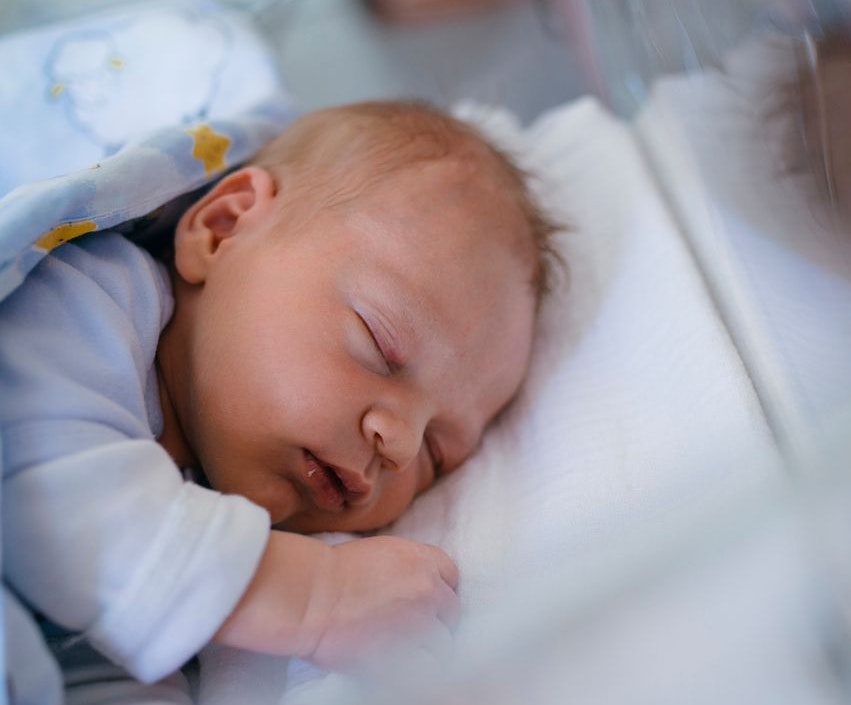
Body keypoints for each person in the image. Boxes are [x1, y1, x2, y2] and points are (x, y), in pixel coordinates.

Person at [0, 100, 559, 703]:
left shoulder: (203, 561)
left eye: (436, 453)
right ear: (223, 228)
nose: (398, 445)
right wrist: (315, 595)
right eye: (381, 345)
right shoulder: (80, 299)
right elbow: (50, 496)